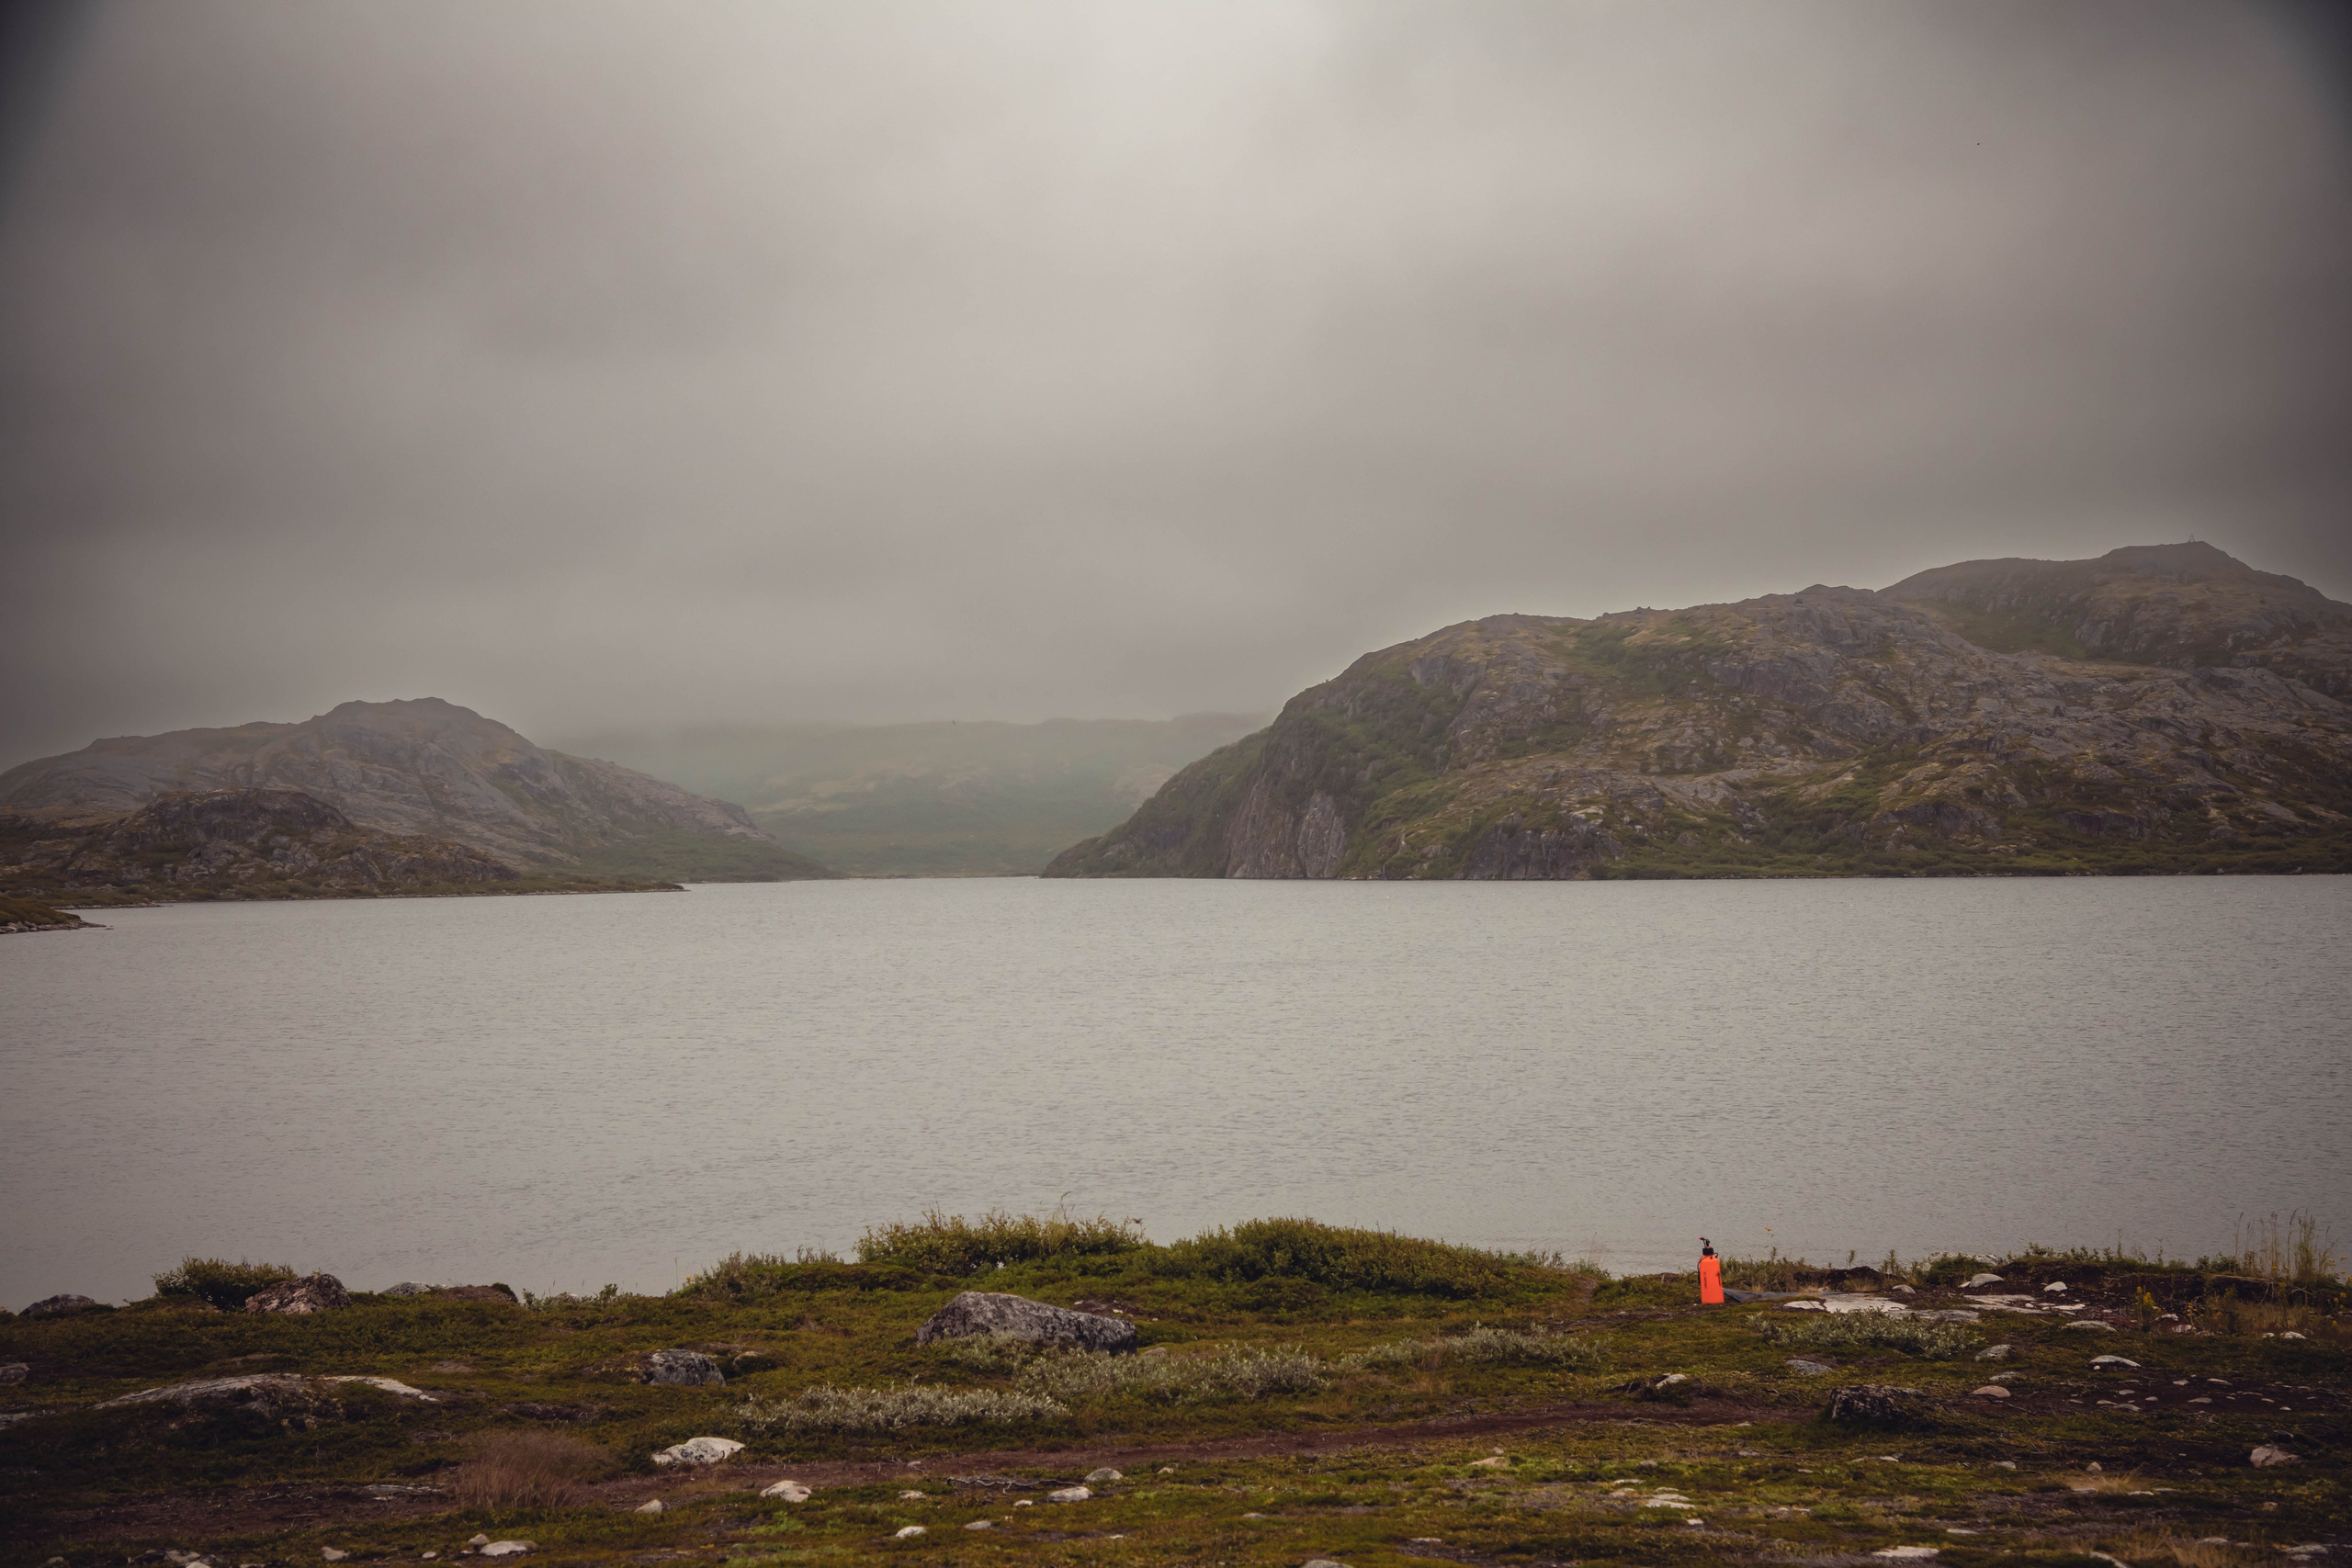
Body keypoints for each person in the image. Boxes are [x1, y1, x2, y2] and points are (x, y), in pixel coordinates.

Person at [1698, 1237, 1724, 1305]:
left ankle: (1712, 1298)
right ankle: (1710, 1298)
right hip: (1709, 1297)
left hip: (1716, 1297)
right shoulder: (1706, 1260)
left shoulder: (1706, 1260)